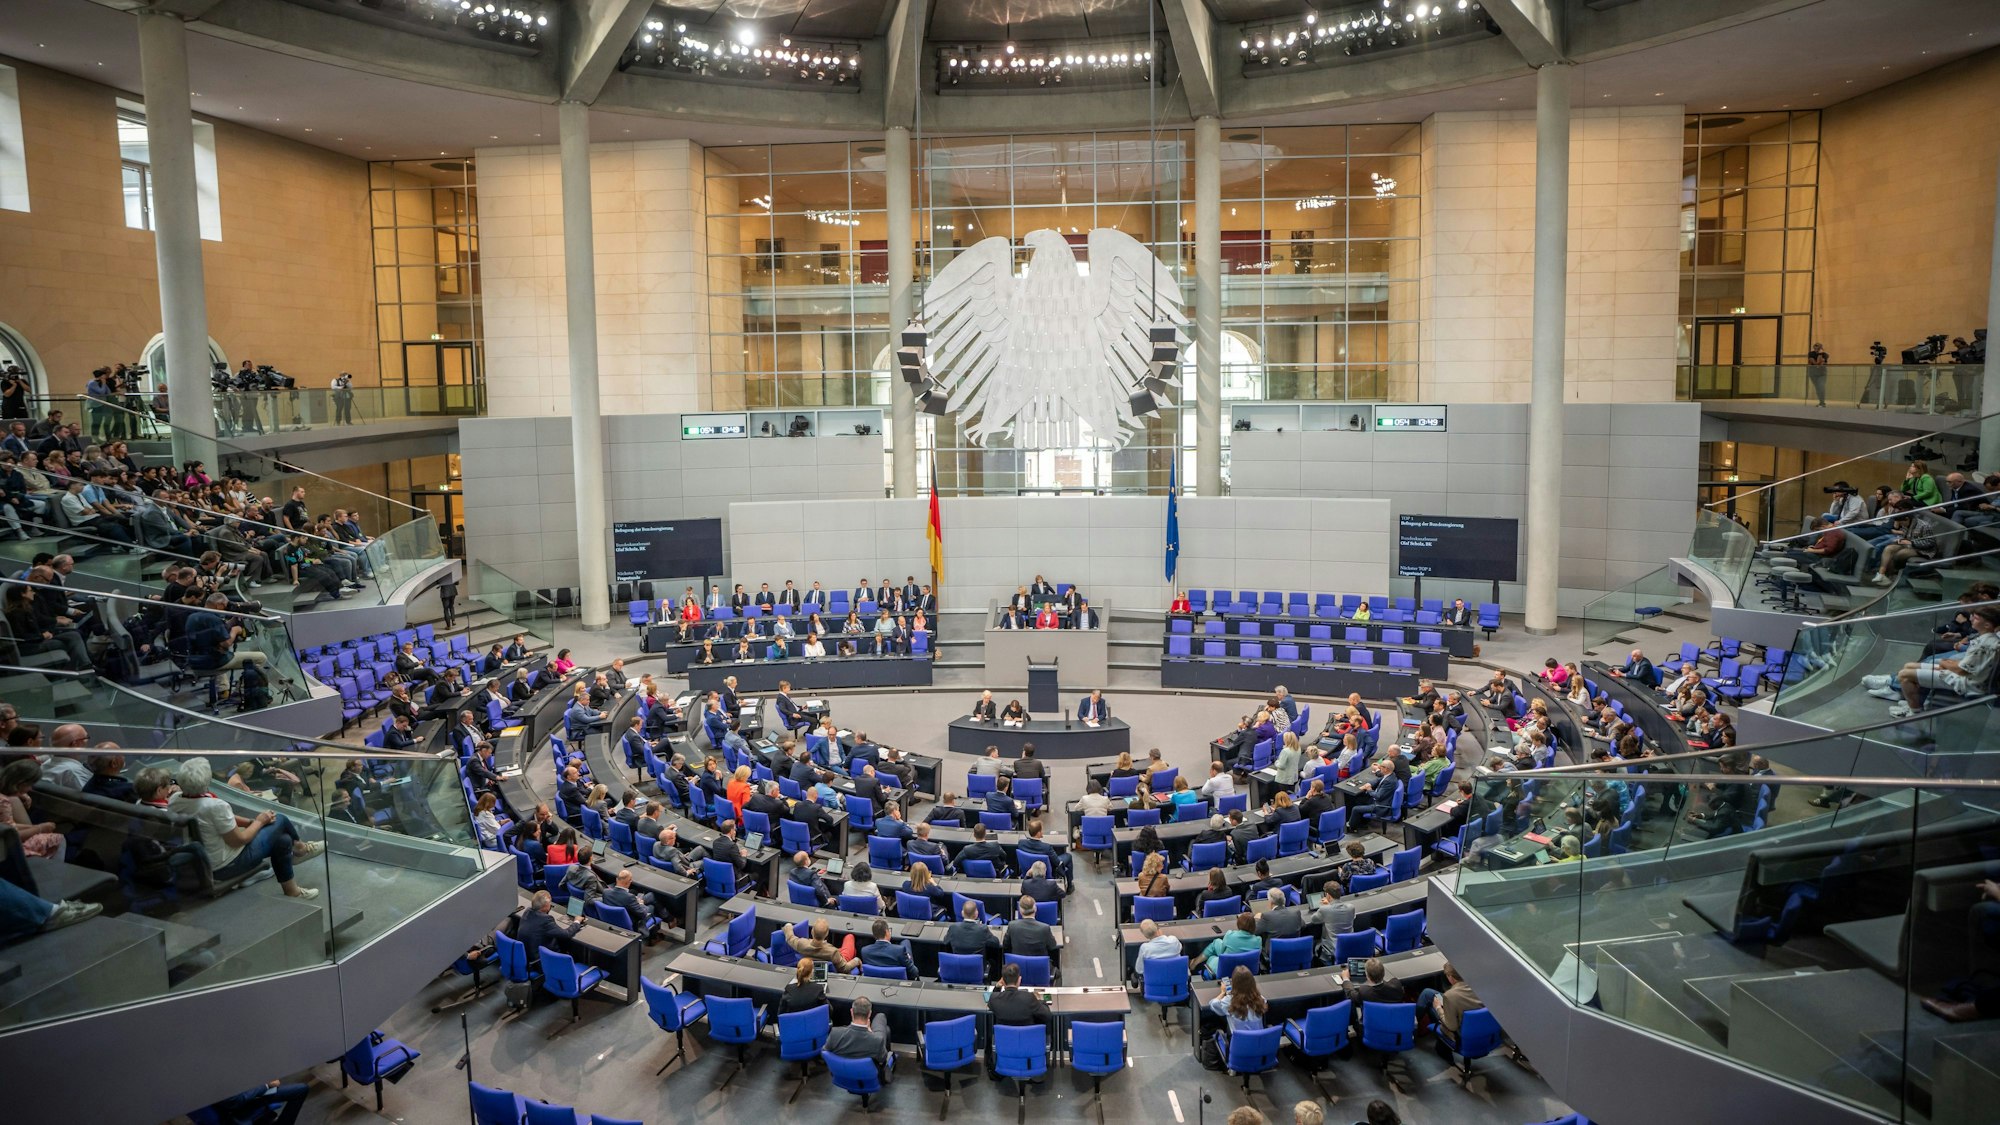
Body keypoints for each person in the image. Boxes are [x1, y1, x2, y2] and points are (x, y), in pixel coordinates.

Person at [168, 758, 324, 899]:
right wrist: (260, 822)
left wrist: (250, 822)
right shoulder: (215, 806)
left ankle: (292, 890)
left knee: (283, 840)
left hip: (200, 863)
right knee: (281, 819)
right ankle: (301, 849)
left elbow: (222, 820)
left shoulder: (175, 800)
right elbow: (239, 841)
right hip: (225, 866)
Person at [825, 996, 894, 1083]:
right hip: (869, 1078)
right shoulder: (876, 1040)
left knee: (885, 1029)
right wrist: (870, 1033)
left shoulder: (835, 1033)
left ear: (851, 1012)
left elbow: (825, 1052)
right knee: (881, 1018)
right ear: (869, 1014)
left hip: (842, 1077)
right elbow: (883, 1059)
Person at [1416, 960, 1481, 1039]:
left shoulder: (1450, 995)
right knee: (1427, 993)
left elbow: (1452, 1027)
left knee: (1431, 1004)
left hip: (1461, 1033)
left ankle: (1413, 1026)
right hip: (1481, 1024)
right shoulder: (1478, 985)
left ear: (1450, 976)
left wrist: (1438, 1007)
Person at [1194, 912, 1262, 979]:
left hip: (1225, 970)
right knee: (1217, 942)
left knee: (1212, 956)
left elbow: (1221, 952)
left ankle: (1194, 963)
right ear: (1254, 926)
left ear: (1239, 924)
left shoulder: (1230, 935)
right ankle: (1194, 962)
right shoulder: (1258, 940)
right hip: (1248, 971)